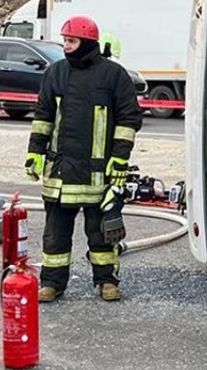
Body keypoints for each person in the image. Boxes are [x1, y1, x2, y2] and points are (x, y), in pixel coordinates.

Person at [25, 15, 142, 302]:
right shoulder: (55, 73)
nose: (66, 46)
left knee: (102, 233)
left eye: (71, 41)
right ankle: (52, 284)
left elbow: (128, 119)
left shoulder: (113, 75)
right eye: (64, 40)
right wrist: (34, 153)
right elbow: (43, 118)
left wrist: (119, 158)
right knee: (55, 236)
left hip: (98, 172)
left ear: (87, 43)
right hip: (60, 172)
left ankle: (107, 282)